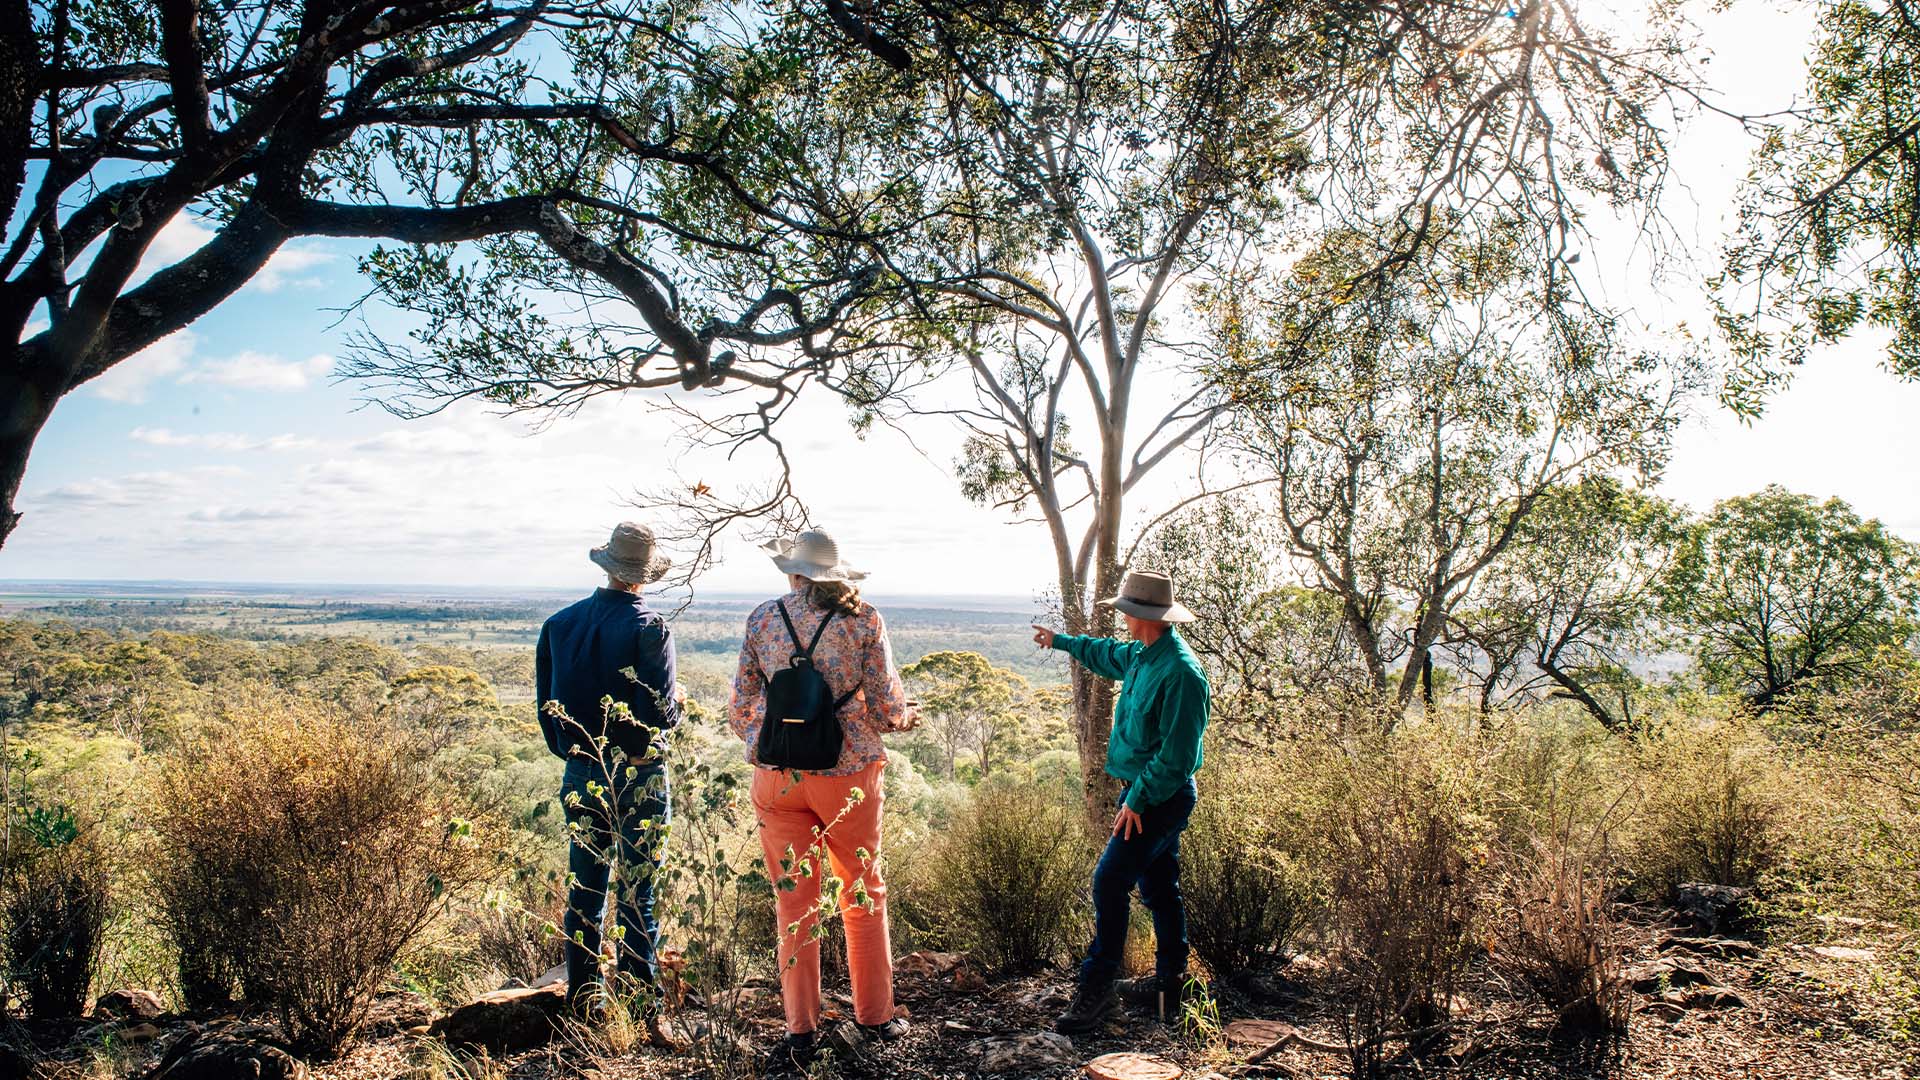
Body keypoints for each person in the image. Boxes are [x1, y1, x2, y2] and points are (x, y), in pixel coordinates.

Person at [728, 529, 918, 1073]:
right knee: (861, 889)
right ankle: (875, 1018)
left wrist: (767, 744)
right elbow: (885, 708)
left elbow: (742, 705)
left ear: (793, 573)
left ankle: (801, 1030)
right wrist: (906, 719)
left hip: (777, 778)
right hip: (847, 775)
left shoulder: (763, 618)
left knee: (794, 902)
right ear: (837, 575)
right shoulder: (863, 620)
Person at [1030, 569, 1210, 1035]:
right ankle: (1171, 983)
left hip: (1158, 797)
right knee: (1158, 886)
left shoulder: (1183, 674)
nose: (1121, 618)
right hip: (1141, 793)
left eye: (1124, 611)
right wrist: (1060, 641)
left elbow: (1178, 757)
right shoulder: (1142, 655)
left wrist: (1138, 800)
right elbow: (1104, 653)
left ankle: (1099, 990)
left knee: (1109, 881)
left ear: (1138, 614)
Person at [536, 521, 685, 1045]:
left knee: (586, 889)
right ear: (644, 575)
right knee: (640, 891)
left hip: (581, 770)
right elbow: (659, 715)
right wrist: (679, 704)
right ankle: (644, 1014)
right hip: (640, 774)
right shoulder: (649, 627)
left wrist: (577, 758)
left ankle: (583, 1008)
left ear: (607, 568)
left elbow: (547, 711)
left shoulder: (559, 625)